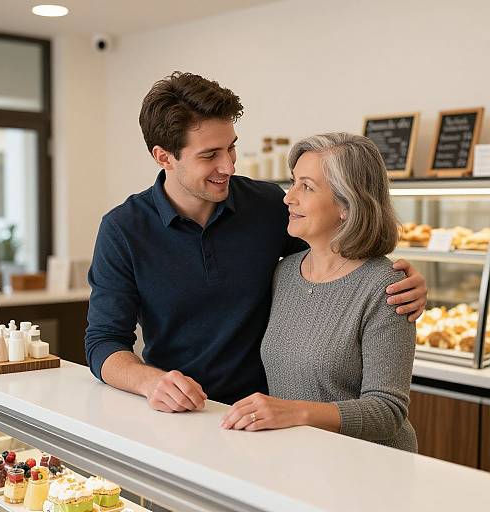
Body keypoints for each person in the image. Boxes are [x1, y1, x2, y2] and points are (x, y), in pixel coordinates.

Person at [85, 72, 427, 415]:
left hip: (268, 415)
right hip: (181, 415)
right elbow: (103, 342)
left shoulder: (266, 204)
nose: (229, 165)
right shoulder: (123, 230)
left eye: (231, 147)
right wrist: (150, 382)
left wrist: (395, 278)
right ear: (163, 157)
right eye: (210, 155)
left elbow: (331, 264)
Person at [220, 133, 418, 452]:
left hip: (369, 468)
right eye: (293, 182)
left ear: (347, 203)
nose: (288, 197)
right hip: (303, 460)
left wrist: (296, 412)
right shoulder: (284, 273)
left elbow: (387, 411)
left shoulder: (387, 286)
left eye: (306, 187)